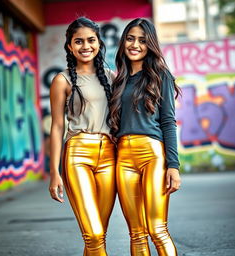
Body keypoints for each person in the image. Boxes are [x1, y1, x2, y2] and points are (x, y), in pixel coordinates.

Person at [109, 18, 181, 256]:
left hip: (153, 155)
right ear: (123, 42)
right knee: (136, 233)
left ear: (150, 44)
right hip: (124, 159)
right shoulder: (119, 80)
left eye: (142, 40)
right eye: (130, 38)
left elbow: (168, 122)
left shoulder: (160, 75)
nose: (135, 44)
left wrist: (173, 166)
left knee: (157, 228)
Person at [49, 17, 116, 256]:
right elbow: (57, 127)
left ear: (99, 42)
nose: (85, 46)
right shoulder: (62, 80)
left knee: (98, 236)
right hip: (77, 155)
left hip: (110, 156)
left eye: (90, 40)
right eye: (78, 41)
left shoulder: (112, 77)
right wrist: (54, 172)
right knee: (94, 233)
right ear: (69, 46)